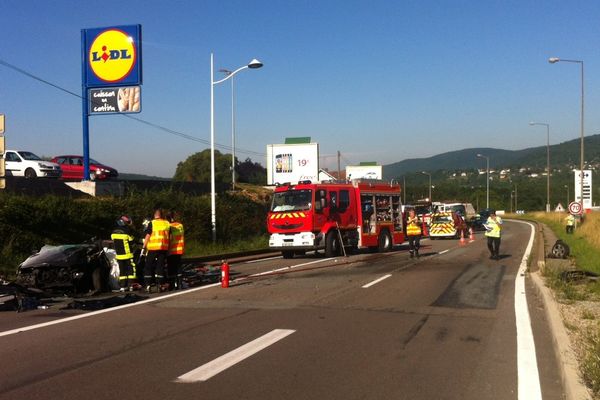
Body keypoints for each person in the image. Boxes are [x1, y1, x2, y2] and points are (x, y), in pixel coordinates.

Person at [142, 209, 170, 292]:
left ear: (155, 215)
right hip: (163, 248)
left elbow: (148, 235)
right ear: (161, 215)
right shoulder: (167, 223)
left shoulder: (153, 223)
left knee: (148, 266)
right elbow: (170, 237)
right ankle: (160, 285)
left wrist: (144, 247)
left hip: (153, 248)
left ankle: (148, 285)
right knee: (160, 267)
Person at [110, 215, 137, 291]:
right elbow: (132, 241)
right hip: (128, 255)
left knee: (122, 271)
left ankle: (122, 286)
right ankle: (131, 285)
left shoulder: (113, 232)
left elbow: (113, 239)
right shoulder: (127, 231)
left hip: (119, 255)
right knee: (131, 270)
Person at [167, 211, 185, 290]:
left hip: (171, 250)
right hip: (179, 249)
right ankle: (180, 284)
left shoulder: (169, 226)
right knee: (178, 267)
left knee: (171, 267)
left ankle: (172, 285)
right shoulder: (180, 225)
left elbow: (169, 239)